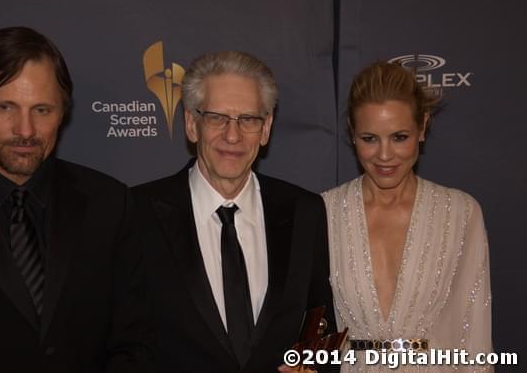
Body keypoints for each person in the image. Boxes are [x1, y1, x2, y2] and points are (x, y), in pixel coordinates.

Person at [0, 27, 143, 372]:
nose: (25, 130)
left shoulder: (110, 204)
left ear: (63, 112)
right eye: (5, 107)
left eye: (42, 110)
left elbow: (135, 341)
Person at [132, 51, 337, 372]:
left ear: (266, 128)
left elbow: (321, 325)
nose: (232, 135)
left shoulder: (304, 211)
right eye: (216, 117)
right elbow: (120, 342)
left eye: (248, 119)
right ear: (191, 124)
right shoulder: (136, 213)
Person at [321, 61, 492, 371]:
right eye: (369, 138)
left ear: (422, 127)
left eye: (399, 137)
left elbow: (473, 331)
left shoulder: (460, 212)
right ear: (352, 133)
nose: (385, 155)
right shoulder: (322, 212)